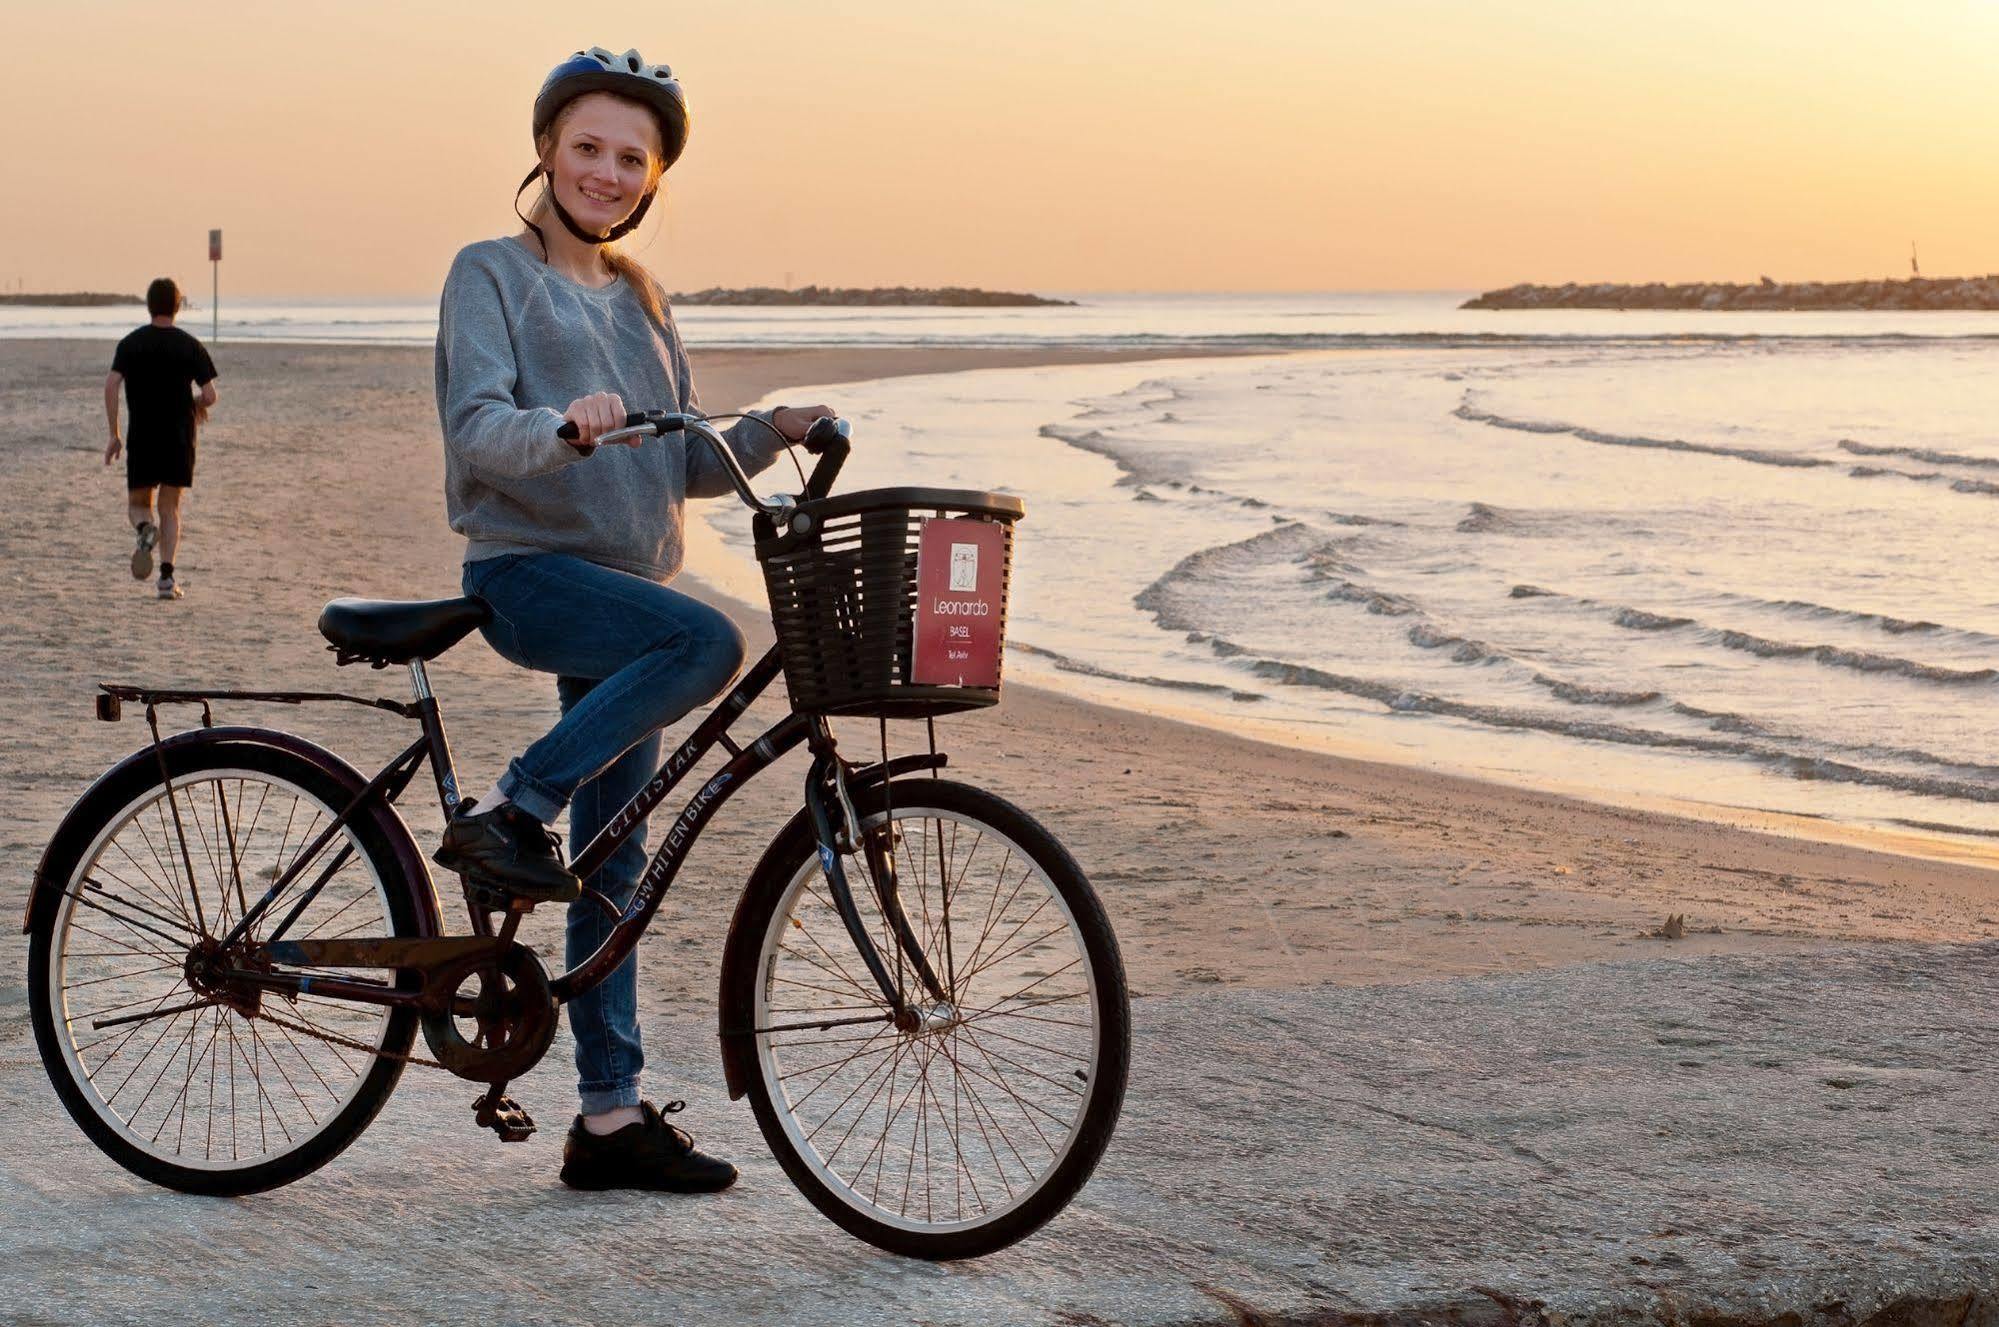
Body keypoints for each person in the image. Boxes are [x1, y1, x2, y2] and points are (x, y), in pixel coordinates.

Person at [431, 46, 835, 1195]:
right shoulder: (489, 274)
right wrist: (560, 426)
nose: (606, 173)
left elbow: (678, 452)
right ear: (547, 152)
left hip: (627, 602)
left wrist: (769, 427)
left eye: (630, 158)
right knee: (707, 639)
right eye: (587, 148)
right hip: (531, 575)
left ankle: (606, 1120)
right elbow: (475, 427)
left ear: (651, 176)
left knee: (615, 862)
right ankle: (513, 804)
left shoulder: (646, 293)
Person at [103, 278, 218, 600]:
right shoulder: (190, 345)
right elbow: (210, 395)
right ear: (177, 306)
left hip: (142, 437)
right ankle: (167, 581)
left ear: (149, 305)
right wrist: (193, 405)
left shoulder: (130, 344)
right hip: (179, 438)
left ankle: (144, 530)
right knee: (170, 507)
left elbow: (111, 385)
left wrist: (114, 434)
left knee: (138, 505)